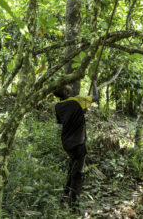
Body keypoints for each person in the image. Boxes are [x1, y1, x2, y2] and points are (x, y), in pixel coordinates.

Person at [54, 77, 99, 207]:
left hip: (66, 142)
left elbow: (62, 121)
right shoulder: (77, 101)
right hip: (78, 142)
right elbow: (95, 97)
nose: (70, 85)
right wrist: (94, 81)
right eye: (67, 85)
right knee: (78, 172)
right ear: (66, 91)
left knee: (72, 167)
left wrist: (79, 112)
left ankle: (65, 194)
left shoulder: (58, 106)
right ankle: (73, 203)